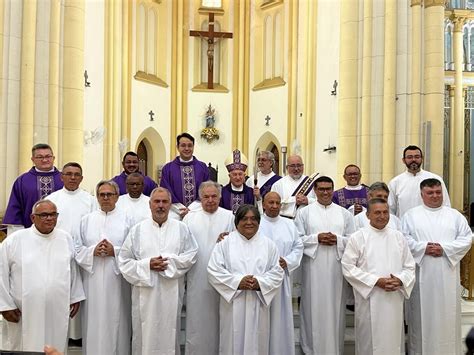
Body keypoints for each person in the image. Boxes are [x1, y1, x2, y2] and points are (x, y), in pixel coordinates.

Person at [118, 187, 198, 354]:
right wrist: (147, 265)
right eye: (157, 201)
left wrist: (167, 262)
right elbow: (124, 261)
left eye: (164, 202)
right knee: (144, 333)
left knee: (170, 331)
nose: (160, 205)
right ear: (150, 204)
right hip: (144, 293)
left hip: (171, 291)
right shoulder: (137, 230)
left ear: (170, 205)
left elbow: (191, 255)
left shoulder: (181, 228)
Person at [0, 200, 84, 352]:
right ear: (33, 218)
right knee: (24, 347)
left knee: (55, 345)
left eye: (53, 214)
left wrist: (75, 297)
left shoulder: (65, 238)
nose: (50, 218)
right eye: (44, 215)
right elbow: (1, 273)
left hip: (57, 308)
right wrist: (5, 306)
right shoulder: (15, 240)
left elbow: (73, 269)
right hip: (23, 311)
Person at [402, 178, 472, 355]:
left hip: (447, 274)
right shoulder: (410, 215)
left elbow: (467, 238)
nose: (435, 196)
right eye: (430, 193)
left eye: (438, 192)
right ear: (422, 194)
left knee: (447, 318)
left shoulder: (455, 216)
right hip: (421, 275)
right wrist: (424, 247)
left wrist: (444, 249)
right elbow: (403, 239)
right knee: (421, 319)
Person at [342, 198, 416, 355]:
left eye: (385, 212)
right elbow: (348, 267)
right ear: (368, 215)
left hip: (393, 299)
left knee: (393, 342)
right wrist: (376, 281)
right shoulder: (358, 237)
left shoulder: (398, 237)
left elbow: (410, 266)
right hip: (369, 299)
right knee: (369, 343)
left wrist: (400, 280)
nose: (382, 216)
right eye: (377, 213)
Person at [207, 204, 284, 355]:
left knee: (258, 342)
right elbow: (213, 270)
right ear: (237, 222)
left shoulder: (269, 245)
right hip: (234, 304)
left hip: (258, 303)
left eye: (253, 219)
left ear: (259, 222)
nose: (249, 222)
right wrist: (237, 282)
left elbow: (277, 272)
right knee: (232, 342)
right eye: (245, 218)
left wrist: (259, 283)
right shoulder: (225, 244)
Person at [295, 176, 356, 355]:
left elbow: (353, 240)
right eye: (321, 189)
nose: (325, 192)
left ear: (333, 189)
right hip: (312, 268)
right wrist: (316, 238)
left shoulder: (344, 213)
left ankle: (334, 349)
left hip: (336, 270)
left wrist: (337, 239)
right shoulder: (304, 213)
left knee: (335, 310)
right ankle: (310, 349)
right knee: (312, 309)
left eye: (328, 188)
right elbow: (297, 239)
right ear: (315, 190)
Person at [75, 180, 132, 355]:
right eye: (102, 194)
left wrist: (114, 251)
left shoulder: (128, 220)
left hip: (118, 281)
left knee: (118, 320)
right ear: (97, 197)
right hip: (91, 281)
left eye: (109, 194)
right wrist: (93, 251)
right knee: (93, 322)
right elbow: (77, 249)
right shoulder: (86, 220)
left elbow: (134, 250)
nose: (105, 198)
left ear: (117, 197)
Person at [182, 181, 235, 355]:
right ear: (200, 198)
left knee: (221, 320)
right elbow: (184, 246)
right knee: (197, 321)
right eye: (206, 197)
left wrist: (229, 240)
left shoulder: (229, 217)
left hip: (223, 279)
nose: (210, 200)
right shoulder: (190, 217)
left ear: (220, 197)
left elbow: (237, 245)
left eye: (214, 196)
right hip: (197, 277)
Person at [46, 162, 96, 342]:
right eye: (69, 174)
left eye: (76, 174)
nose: (73, 177)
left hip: (83, 254)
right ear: (62, 177)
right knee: (61, 291)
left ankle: (80, 334)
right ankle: (63, 334)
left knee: (82, 293)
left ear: (82, 178)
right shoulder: (53, 199)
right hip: (58, 252)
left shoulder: (90, 200)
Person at [258, 191, 303, 355]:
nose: (275, 206)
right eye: (271, 202)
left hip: (282, 279)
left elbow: (298, 247)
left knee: (280, 318)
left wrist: (288, 261)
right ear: (263, 204)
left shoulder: (289, 224)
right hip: (261, 279)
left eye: (278, 203)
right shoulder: (256, 223)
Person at [3, 143, 63, 230]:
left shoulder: (65, 179)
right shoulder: (22, 181)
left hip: (60, 231)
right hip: (30, 233)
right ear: (33, 159)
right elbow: (15, 208)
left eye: (48, 156)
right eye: (40, 157)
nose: (45, 160)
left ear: (53, 158)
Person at [388, 145, 450, 218]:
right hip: (404, 227)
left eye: (417, 157)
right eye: (409, 157)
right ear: (403, 160)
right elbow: (390, 210)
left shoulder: (435, 179)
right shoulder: (395, 182)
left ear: (422, 159)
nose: (413, 160)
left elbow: (446, 206)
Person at [160, 133, 210, 218]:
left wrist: (191, 209)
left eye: (190, 145)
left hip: (198, 212)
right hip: (175, 213)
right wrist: (180, 209)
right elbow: (166, 191)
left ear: (193, 147)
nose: (187, 148)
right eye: (183, 145)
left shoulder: (202, 167)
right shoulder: (168, 168)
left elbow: (207, 190)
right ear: (177, 147)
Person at [271, 155, 317, 219]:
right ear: (287, 167)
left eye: (299, 165)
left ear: (303, 166)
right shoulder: (278, 185)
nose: (296, 169)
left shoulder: (312, 183)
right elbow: (272, 204)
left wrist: (308, 200)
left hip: (308, 220)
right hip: (286, 221)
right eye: (292, 166)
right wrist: (294, 200)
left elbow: (321, 202)